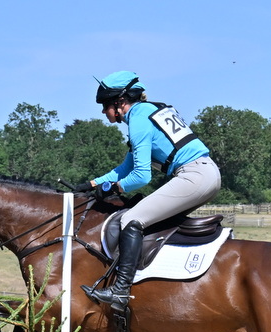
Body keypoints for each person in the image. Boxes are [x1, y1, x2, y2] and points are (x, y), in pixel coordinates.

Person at [76, 71, 221, 310]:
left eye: (105, 105)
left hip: (194, 176)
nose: (103, 112)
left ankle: (121, 291)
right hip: (205, 173)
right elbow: (126, 167)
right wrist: (92, 184)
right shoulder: (148, 112)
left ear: (120, 102)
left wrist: (114, 187)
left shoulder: (139, 121)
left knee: (131, 219)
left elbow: (141, 176)